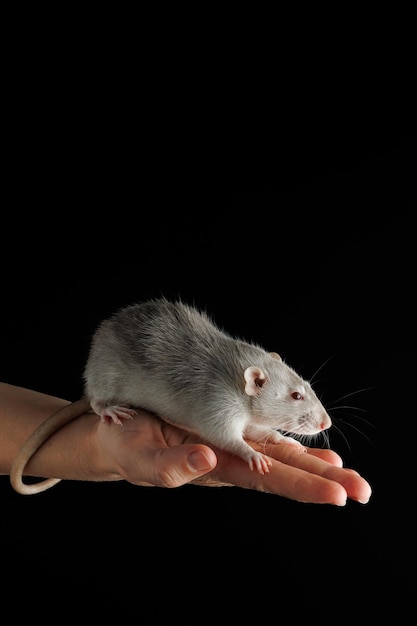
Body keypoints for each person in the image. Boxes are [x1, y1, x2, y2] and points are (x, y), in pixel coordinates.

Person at [0, 381, 371, 505]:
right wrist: (243, 449)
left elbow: (245, 423)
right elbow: (227, 430)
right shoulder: (224, 401)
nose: (322, 422)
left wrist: (95, 443)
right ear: (254, 381)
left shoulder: (241, 395)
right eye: (293, 397)